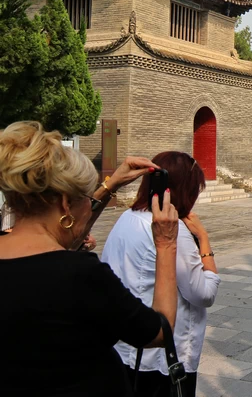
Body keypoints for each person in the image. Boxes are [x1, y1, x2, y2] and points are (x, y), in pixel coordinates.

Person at [0, 121, 179, 397]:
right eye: (85, 196)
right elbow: (159, 330)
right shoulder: (80, 275)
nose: (89, 203)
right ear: (63, 202)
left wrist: (109, 185)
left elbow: (61, 238)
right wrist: (166, 243)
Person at [102, 151, 219, 396]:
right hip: (162, 360)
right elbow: (203, 294)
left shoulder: (126, 218)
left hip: (126, 350)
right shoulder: (171, 232)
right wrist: (204, 241)